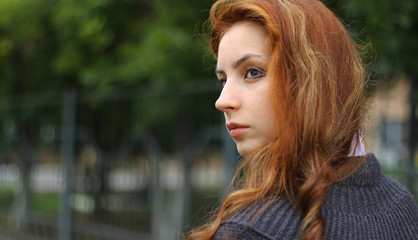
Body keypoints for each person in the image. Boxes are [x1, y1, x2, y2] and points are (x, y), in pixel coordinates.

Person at [187, 0, 418, 239]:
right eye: (223, 80)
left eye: (253, 72)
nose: (222, 101)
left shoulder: (249, 231)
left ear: (315, 81)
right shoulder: (402, 203)